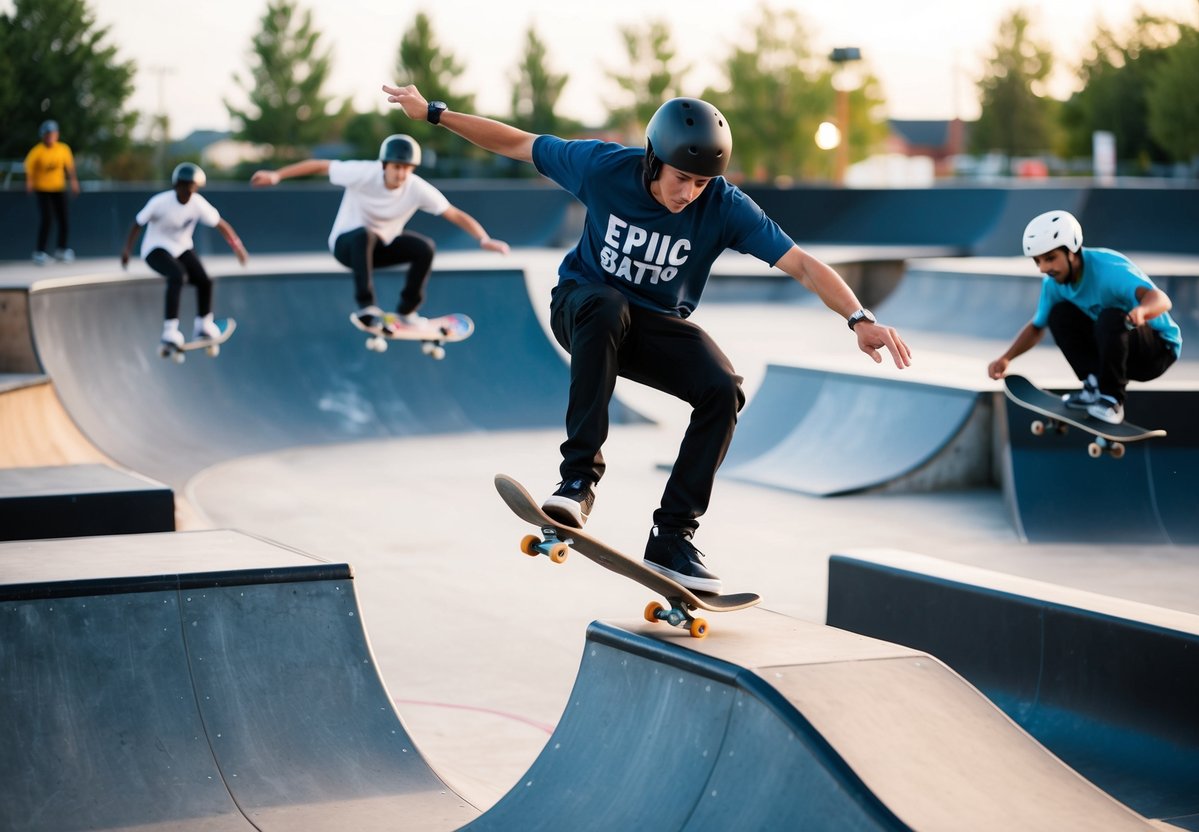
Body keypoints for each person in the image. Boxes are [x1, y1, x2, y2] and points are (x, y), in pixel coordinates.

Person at [383, 84, 912, 594]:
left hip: (654, 325)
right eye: (681, 178)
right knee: (606, 303)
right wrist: (434, 113)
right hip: (582, 308)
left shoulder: (724, 206)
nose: (688, 194)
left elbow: (799, 262)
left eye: (702, 183)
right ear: (654, 159)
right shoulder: (603, 167)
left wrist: (859, 318)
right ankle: (577, 483)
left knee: (722, 388)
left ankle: (673, 536)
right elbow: (519, 143)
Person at [249, 134, 510, 332]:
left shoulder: (417, 188)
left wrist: (483, 237)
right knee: (366, 234)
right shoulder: (363, 172)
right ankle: (367, 306)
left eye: (407, 168)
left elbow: (453, 213)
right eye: (397, 167)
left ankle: (407, 311)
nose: (401, 174)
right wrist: (277, 175)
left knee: (425, 248)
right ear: (384, 165)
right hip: (346, 246)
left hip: (380, 248)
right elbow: (319, 165)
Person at [988, 210, 1181, 425]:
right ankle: (1094, 385)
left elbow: (1162, 300)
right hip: (1115, 350)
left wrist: (1142, 311)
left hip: (1156, 352)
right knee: (1058, 314)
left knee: (1111, 317)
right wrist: (1006, 358)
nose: (1044, 268)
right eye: (1038, 261)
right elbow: (1036, 327)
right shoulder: (1053, 284)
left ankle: (1111, 400)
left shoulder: (1109, 269)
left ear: (1072, 251)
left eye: (1051, 258)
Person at [120, 163, 248, 348]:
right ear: (175, 186)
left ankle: (203, 325)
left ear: (195, 188)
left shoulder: (198, 203)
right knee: (177, 275)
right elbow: (137, 223)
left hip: (181, 248)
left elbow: (221, 224)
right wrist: (127, 250)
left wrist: (238, 248)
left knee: (205, 280)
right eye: (183, 188)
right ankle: (170, 331)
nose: (187, 193)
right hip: (155, 249)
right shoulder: (160, 202)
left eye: (191, 189)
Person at [24, 119, 80, 265]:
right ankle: (39, 252)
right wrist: (29, 183)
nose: (50, 137)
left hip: (58, 188)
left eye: (52, 134)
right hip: (43, 189)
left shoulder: (63, 149)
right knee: (47, 219)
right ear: (43, 135)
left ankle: (61, 250)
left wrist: (74, 182)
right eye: (47, 134)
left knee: (64, 220)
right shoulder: (37, 151)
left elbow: (70, 167)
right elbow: (29, 169)